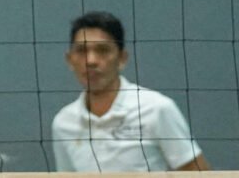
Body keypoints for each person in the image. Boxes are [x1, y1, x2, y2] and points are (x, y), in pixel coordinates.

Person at [52, 11, 211, 172]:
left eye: (103, 50)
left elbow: (198, 173)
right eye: (81, 50)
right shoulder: (63, 123)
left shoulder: (156, 109)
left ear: (122, 58)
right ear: (70, 59)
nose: (91, 60)